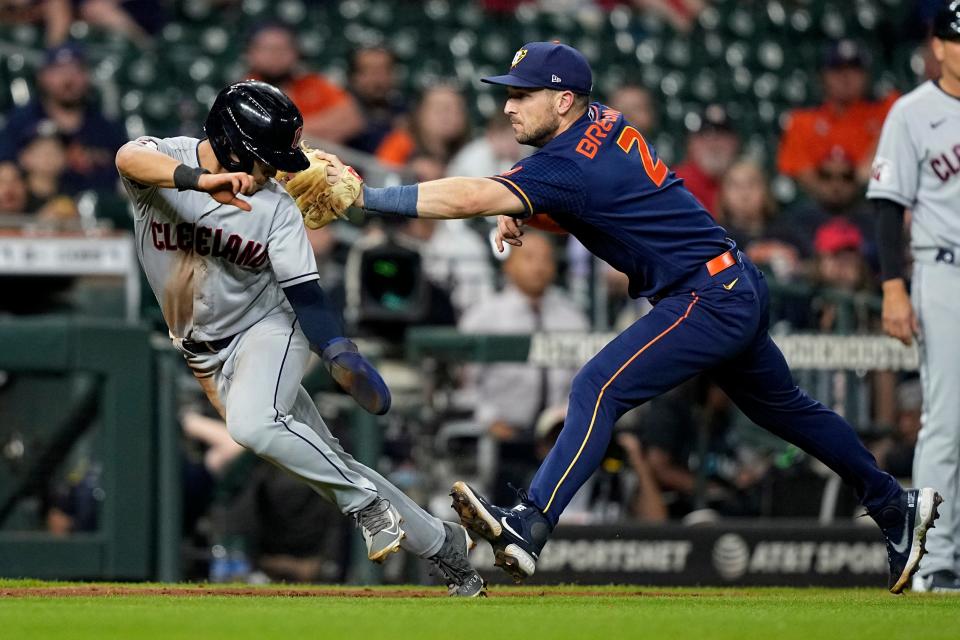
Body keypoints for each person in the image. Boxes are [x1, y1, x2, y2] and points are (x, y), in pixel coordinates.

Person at [326, 41, 941, 593]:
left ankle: (529, 524)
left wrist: (368, 194)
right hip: (731, 280)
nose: (508, 107)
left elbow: (470, 195)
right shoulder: (601, 122)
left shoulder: (564, 163)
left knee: (598, 387)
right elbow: (589, 198)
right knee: (791, 412)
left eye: (521, 95)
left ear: (562, 100)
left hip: (706, 295)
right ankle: (893, 504)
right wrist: (528, 208)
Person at [114, 80, 484, 597]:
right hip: (205, 354)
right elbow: (128, 157)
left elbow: (307, 295)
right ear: (229, 144)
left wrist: (336, 350)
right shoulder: (166, 165)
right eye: (264, 159)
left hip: (269, 328)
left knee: (254, 425)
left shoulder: (276, 206)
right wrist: (198, 183)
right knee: (322, 461)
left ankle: (367, 504)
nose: (275, 170)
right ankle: (442, 543)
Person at [868, 2, 960, 593]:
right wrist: (894, 287)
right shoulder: (912, 112)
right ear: (940, 46)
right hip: (942, 272)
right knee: (948, 422)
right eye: (956, 40)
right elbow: (885, 205)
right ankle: (935, 559)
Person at [459, 231, 589, 505]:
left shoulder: (572, 317)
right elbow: (464, 383)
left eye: (546, 259)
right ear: (509, 264)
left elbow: (584, 381)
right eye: (529, 258)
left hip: (557, 436)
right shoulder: (483, 316)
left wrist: (565, 421)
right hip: (500, 436)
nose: (539, 266)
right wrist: (489, 420)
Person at [778, 39, 898, 201]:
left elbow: (900, 135)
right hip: (817, 208)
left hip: (870, 203)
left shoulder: (886, 109)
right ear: (822, 76)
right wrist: (844, 188)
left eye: (854, 69)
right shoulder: (802, 120)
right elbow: (801, 173)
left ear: (867, 75)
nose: (845, 77)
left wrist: (869, 166)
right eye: (837, 69)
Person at [0, 43, 126, 195]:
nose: (68, 79)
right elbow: (6, 172)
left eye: (76, 70)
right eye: (59, 70)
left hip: (97, 213)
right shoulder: (20, 122)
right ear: (42, 76)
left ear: (87, 77)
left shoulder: (105, 128)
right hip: (36, 212)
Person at [244, 22, 364, 144]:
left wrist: (286, 129)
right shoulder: (242, 91)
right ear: (251, 53)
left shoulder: (313, 84)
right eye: (268, 49)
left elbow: (352, 120)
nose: (276, 55)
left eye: (283, 48)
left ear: (296, 53)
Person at [672, 103, 740, 215]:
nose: (713, 145)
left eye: (721, 136)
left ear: (735, 143)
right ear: (690, 144)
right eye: (704, 136)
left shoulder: (748, 183)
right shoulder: (675, 183)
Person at [345, 46, 408, 155]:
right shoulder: (339, 108)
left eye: (384, 71)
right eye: (369, 71)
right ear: (354, 77)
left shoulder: (404, 110)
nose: (377, 80)